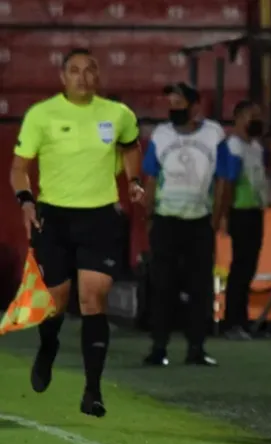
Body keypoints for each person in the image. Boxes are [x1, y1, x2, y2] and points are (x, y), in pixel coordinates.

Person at [9, 48, 144, 416]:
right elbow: (19, 168)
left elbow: (131, 147)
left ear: (98, 75)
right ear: (62, 77)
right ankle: (48, 346)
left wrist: (134, 180)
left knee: (92, 299)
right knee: (56, 302)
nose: (82, 77)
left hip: (100, 217)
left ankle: (93, 390)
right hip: (54, 218)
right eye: (74, 70)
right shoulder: (42, 115)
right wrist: (25, 200)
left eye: (89, 70)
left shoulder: (118, 114)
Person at [141, 82, 238, 367]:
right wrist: (149, 215)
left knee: (200, 287)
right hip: (166, 220)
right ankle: (159, 347)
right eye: (170, 103)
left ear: (195, 106)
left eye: (179, 103)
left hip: (199, 222)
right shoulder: (161, 135)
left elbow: (224, 179)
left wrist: (216, 219)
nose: (173, 108)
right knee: (162, 286)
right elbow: (150, 178)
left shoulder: (214, 134)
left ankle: (196, 347)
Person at [223, 100, 271, 340]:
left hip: (255, 210)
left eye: (259, 116)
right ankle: (232, 322)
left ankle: (242, 321)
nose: (256, 121)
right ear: (238, 118)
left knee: (248, 268)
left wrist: (270, 146)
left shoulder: (256, 147)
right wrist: (224, 215)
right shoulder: (233, 147)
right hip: (240, 211)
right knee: (240, 267)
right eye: (251, 116)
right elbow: (227, 184)